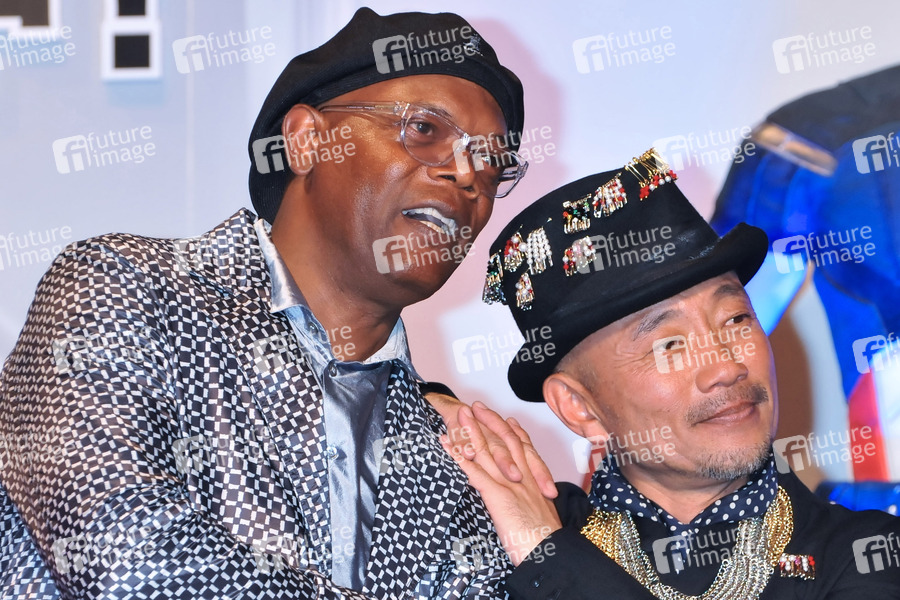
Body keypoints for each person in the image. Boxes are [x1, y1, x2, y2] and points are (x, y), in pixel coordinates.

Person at [0, 8, 548, 599]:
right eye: (424, 130)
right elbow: (127, 561)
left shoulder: (454, 444)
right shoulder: (124, 286)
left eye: (491, 163)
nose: (468, 177)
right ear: (307, 140)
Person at [447, 149, 900, 599]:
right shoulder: (502, 545)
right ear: (579, 407)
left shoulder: (869, 552)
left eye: (736, 319)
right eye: (669, 346)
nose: (727, 366)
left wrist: (548, 558)